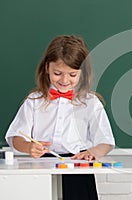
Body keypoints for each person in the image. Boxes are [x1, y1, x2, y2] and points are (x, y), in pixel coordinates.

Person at [5, 35, 115, 200]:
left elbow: (106, 141)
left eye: (72, 75)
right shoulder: (34, 101)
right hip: (40, 169)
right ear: (47, 68)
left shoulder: (91, 103)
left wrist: (93, 151)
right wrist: (28, 147)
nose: (64, 80)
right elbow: (15, 138)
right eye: (57, 73)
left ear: (82, 73)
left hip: (78, 168)